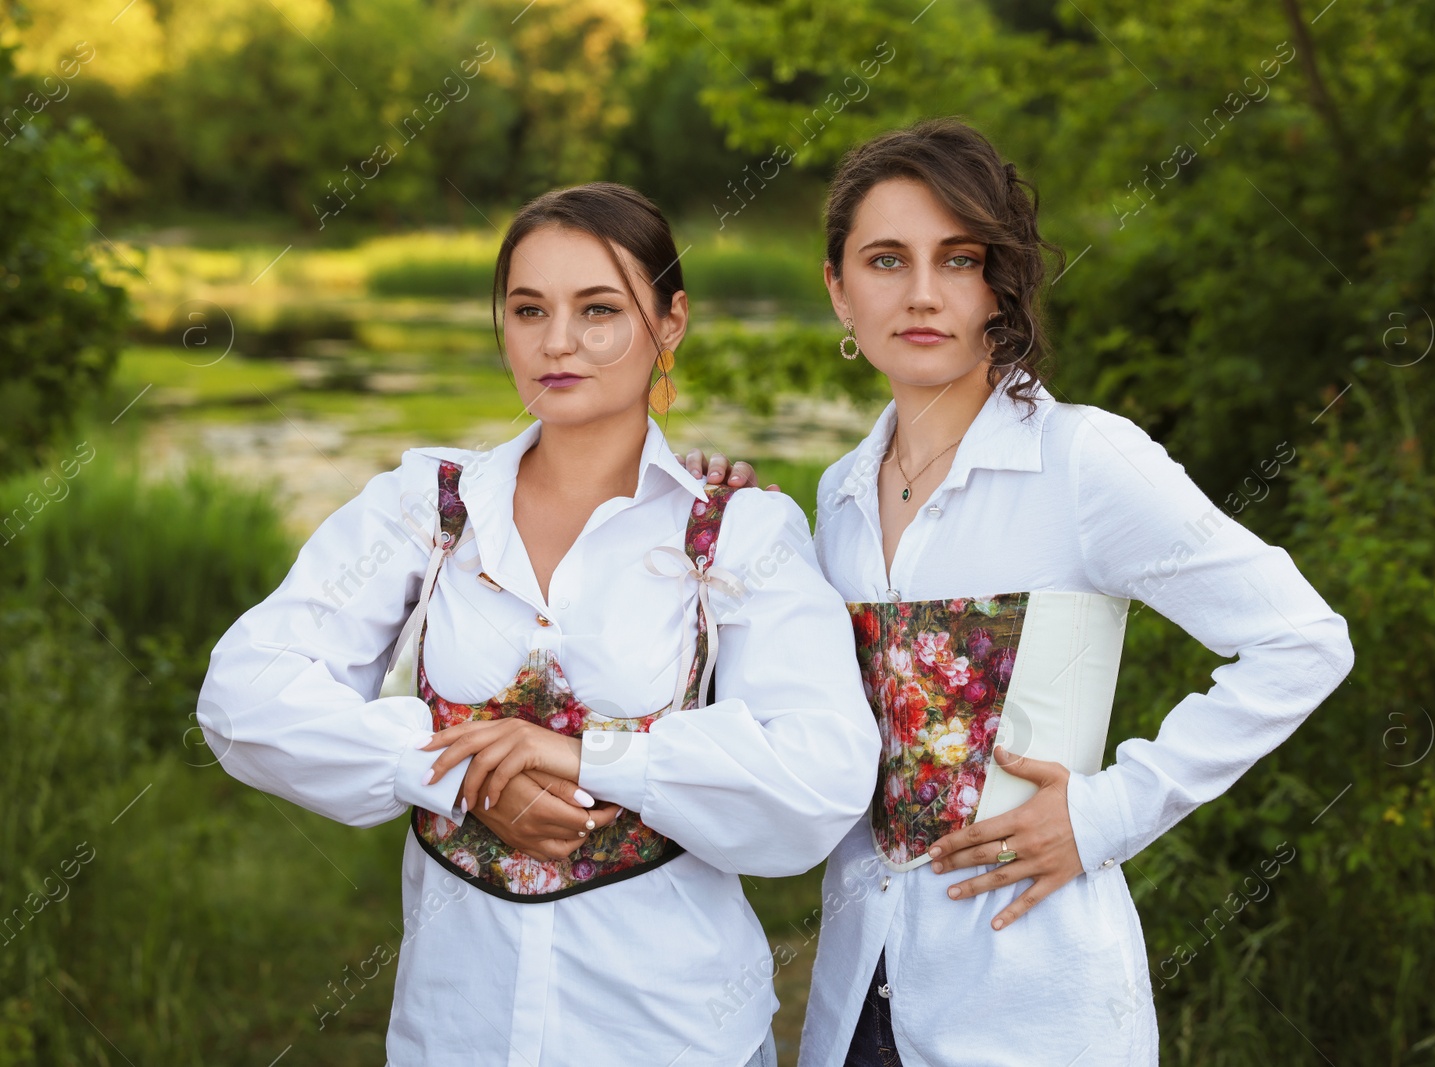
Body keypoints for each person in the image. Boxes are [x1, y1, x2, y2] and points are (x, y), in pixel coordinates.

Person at [683, 118, 1356, 1066]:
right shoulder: (833, 496)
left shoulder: (1082, 460)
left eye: (958, 259)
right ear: (837, 288)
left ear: (1001, 282)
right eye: (885, 259)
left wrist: (1108, 812)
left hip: (1034, 1006)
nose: (921, 293)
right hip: (855, 1003)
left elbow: (1305, 640)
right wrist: (721, 525)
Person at [196, 181, 879, 1067]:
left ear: (671, 322)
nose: (557, 341)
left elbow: (820, 776)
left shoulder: (734, 529)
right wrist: (453, 770)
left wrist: (593, 758)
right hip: (457, 1030)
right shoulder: (427, 508)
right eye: (528, 309)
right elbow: (242, 697)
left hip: (673, 1033)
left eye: (598, 309)